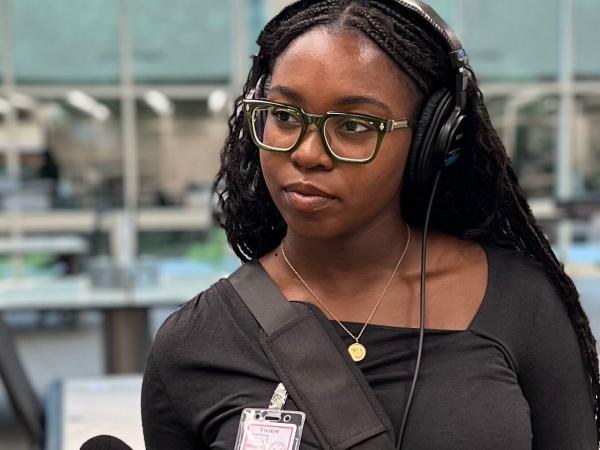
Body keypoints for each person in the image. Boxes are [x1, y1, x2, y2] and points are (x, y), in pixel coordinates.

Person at [141, 1, 599, 449]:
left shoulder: (519, 301)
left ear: (432, 142)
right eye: (283, 115)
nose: (307, 153)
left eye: (355, 125)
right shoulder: (194, 345)